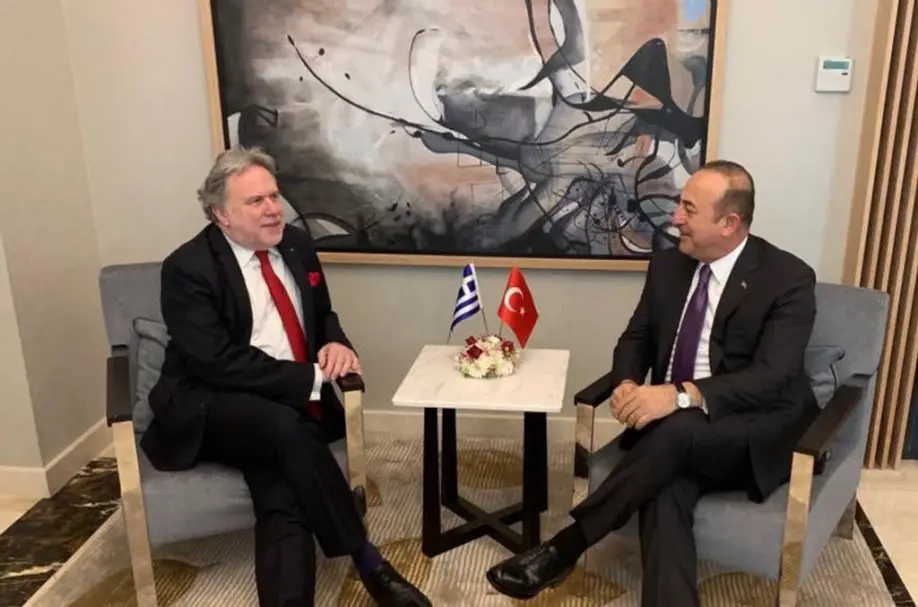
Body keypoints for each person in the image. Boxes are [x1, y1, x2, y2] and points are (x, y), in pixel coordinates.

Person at [485, 160, 819, 606]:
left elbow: (772, 376)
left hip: (752, 429)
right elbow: (637, 338)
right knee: (664, 492)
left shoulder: (787, 278)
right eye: (680, 204)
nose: (675, 217)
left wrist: (680, 395)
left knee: (678, 429)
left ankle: (565, 547)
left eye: (689, 209)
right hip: (673, 440)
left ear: (729, 223)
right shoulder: (668, 265)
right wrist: (626, 382)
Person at [141, 146, 431, 607]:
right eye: (255, 201)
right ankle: (367, 559)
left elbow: (322, 314)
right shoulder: (188, 268)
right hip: (210, 403)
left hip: (279, 407)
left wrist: (337, 343)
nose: (273, 209)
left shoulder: (296, 244)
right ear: (221, 214)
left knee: (282, 492)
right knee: (286, 426)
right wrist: (309, 379)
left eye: (274, 195)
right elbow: (216, 362)